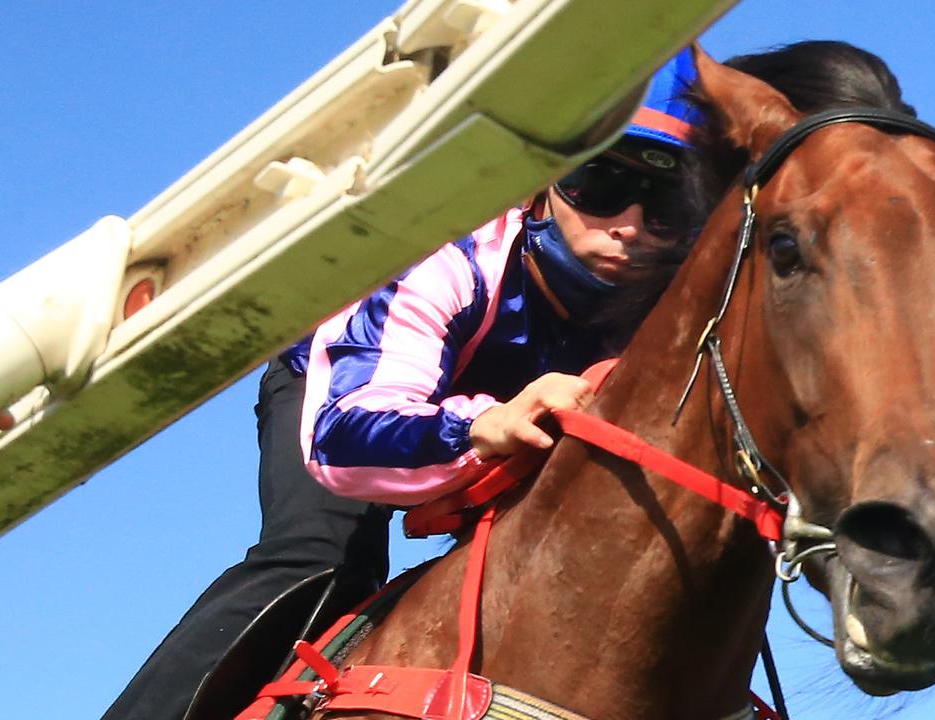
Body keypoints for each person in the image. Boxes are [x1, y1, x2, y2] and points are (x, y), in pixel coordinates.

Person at [101, 50, 702, 720]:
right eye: (600, 184)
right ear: (543, 182)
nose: (629, 226)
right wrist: (484, 424)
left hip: (498, 431)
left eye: (666, 205)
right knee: (324, 558)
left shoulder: (669, 309)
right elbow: (345, 432)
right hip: (348, 398)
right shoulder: (450, 252)